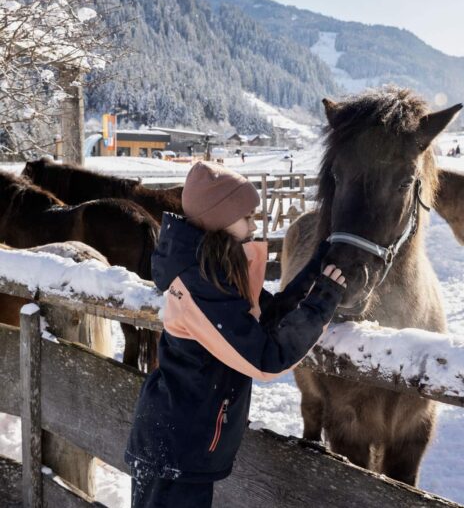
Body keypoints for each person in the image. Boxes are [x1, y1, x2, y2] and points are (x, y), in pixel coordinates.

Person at [125, 162, 346, 507]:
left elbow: (268, 316)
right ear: (220, 219)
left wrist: (316, 268)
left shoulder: (214, 273)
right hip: (176, 448)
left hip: (184, 442)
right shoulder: (199, 286)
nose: (254, 225)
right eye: (247, 216)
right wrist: (323, 302)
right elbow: (265, 358)